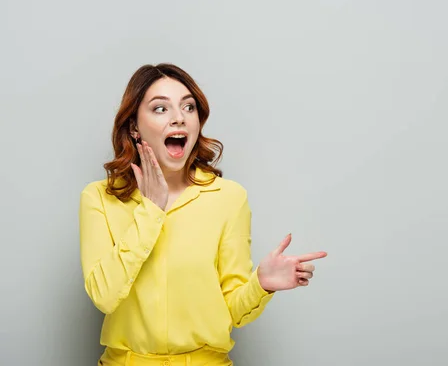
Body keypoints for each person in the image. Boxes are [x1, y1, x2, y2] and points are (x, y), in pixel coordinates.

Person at [79, 63, 327, 366]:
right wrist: (151, 211)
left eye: (188, 107)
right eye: (160, 109)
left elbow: (233, 309)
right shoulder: (99, 198)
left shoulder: (229, 198)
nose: (178, 117)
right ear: (134, 126)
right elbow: (103, 296)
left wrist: (260, 285)